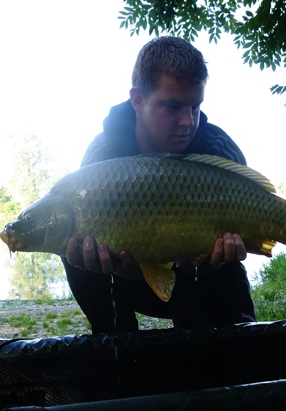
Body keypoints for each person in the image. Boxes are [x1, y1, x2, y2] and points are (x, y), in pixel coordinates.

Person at [61, 36, 255, 334]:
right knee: (75, 250)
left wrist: (210, 260)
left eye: (195, 106)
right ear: (138, 100)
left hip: (204, 277)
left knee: (226, 312)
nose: (188, 121)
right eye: (173, 106)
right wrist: (126, 270)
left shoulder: (218, 149)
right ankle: (118, 347)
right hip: (126, 281)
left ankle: (210, 344)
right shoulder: (103, 155)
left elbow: (249, 227)